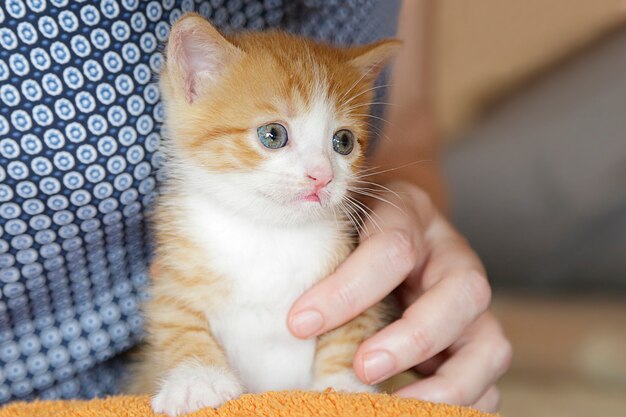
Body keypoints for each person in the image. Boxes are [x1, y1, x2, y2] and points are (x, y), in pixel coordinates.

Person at [0, 0, 510, 411]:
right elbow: (178, 318)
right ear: (194, 84)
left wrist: (410, 222)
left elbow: (408, 138)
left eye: (341, 143)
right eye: (274, 135)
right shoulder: (190, 228)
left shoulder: (332, 231)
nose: (320, 171)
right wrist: (196, 368)